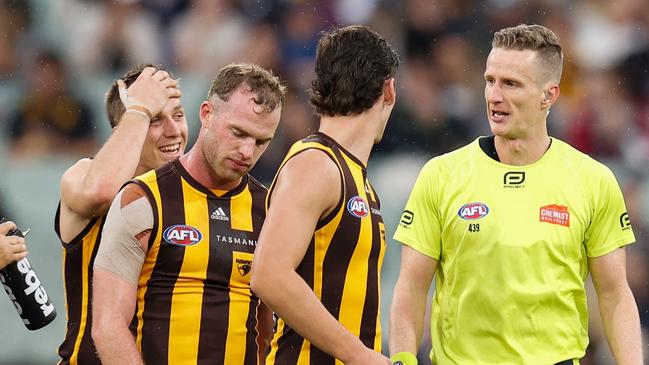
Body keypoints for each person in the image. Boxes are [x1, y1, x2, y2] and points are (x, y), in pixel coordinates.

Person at [389, 24, 642, 365]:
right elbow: (411, 287)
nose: (494, 95)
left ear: (548, 95)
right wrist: (402, 359)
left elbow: (614, 295)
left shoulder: (593, 180)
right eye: (490, 80)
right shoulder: (442, 175)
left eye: (511, 84)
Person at [91, 63, 286, 365]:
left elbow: (268, 330)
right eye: (238, 133)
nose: (247, 151)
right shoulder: (142, 198)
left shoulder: (269, 209)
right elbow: (108, 325)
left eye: (261, 141)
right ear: (207, 114)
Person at [250, 25, 399, 365]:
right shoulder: (316, 164)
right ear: (389, 90)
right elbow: (269, 274)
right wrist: (358, 354)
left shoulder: (355, 178)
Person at [56, 64, 186, 365]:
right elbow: (101, 191)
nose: (173, 131)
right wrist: (138, 110)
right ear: (126, 127)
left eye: (178, 116)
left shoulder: (189, 195)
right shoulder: (83, 174)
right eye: (154, 119)